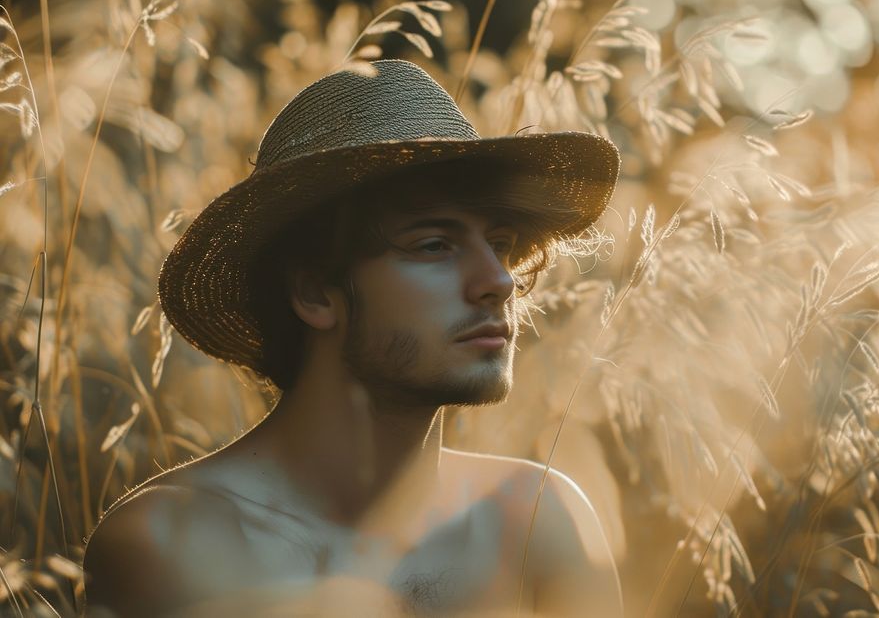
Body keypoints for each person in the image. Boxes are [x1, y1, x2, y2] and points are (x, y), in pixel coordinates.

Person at [83, 59, 623, 617]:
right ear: (316, 292)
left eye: (503, 244)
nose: (499, 280)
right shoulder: (171, 543)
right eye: (434, 245)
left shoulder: (536, 518)